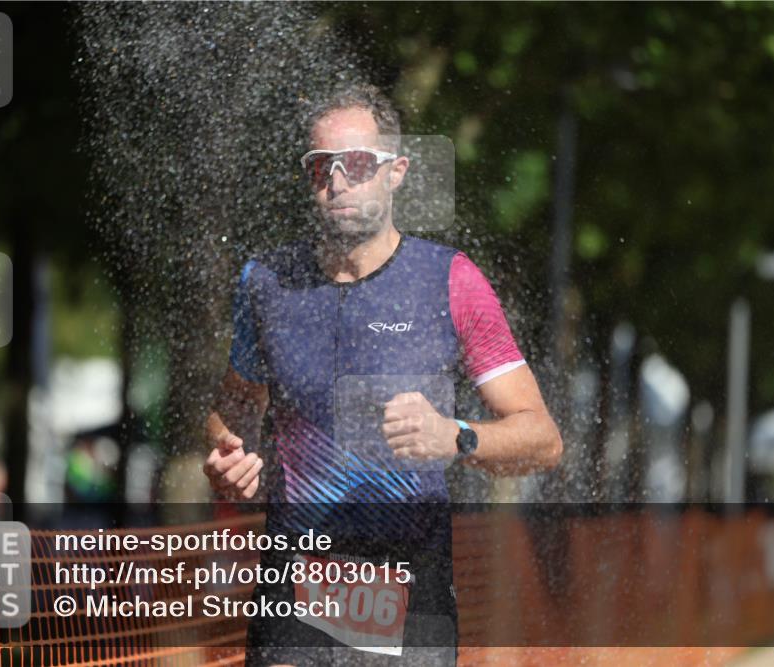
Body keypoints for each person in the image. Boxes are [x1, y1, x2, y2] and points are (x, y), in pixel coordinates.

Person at [204, 83, 562, 666]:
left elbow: (542, 439)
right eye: (322, 166)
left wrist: (456, 436)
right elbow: (236, 404)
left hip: (408, 590)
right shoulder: (266, 282)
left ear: (396, 172)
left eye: (359, 164)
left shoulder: (449, 280)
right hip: (294, 587)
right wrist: (224, 454)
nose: (339, 181)